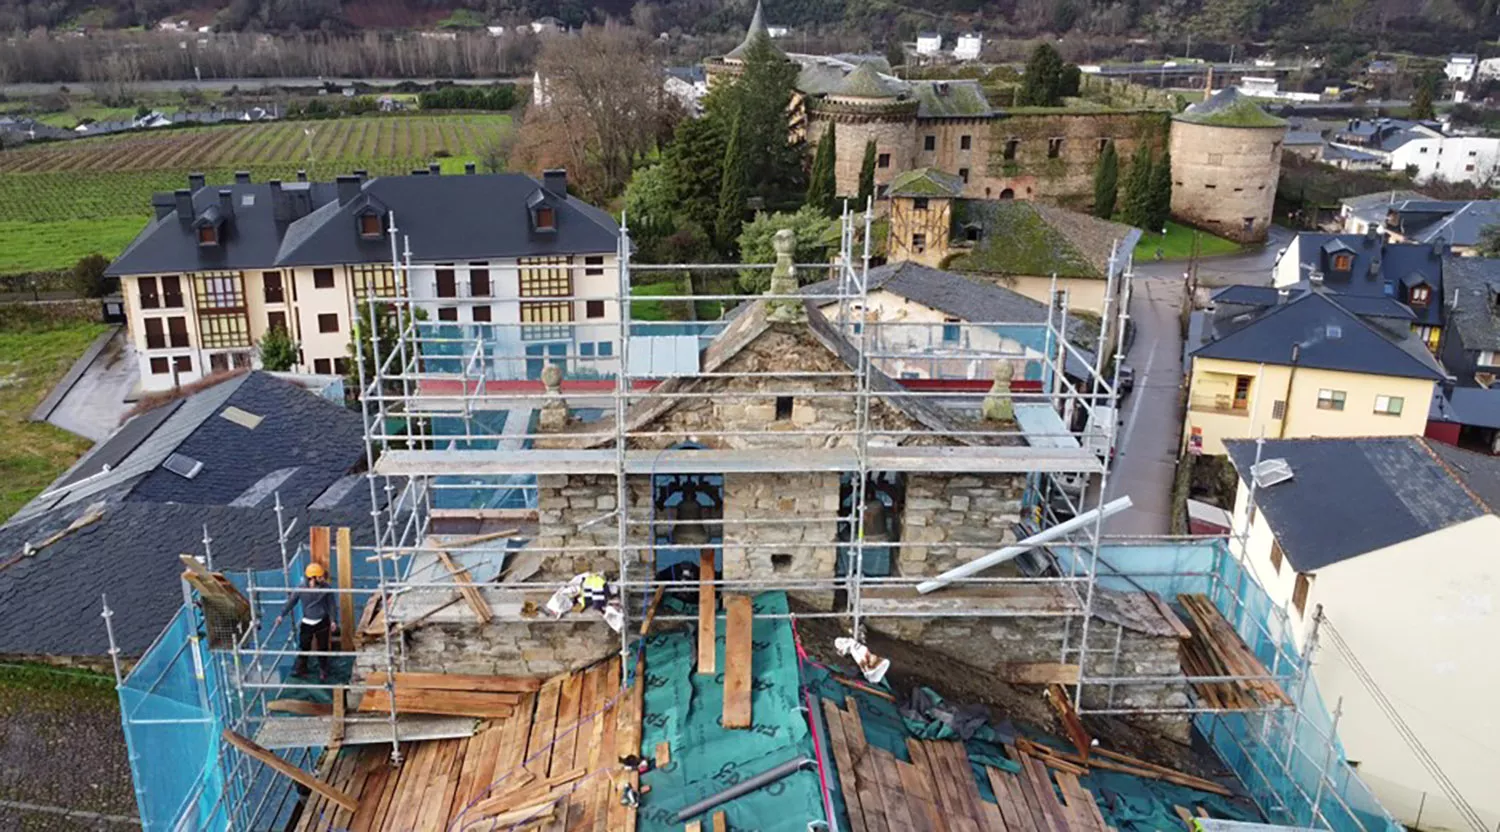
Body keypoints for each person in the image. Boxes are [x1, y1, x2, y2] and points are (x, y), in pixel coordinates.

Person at [276, 563, 336, 681]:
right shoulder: (301, 588)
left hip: (322, 622)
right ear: (312, 578)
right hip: (307, 622)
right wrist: (281, 615)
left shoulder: (327, 588)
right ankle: (301, 669)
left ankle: (323, 670)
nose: (322, 579)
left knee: (322, 648)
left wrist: (333, 621)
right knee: (304, 647)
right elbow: (291, 602)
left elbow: (331, 605)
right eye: (319, 577)